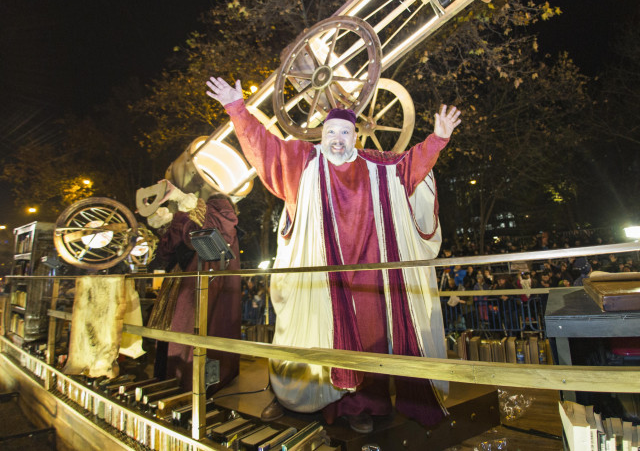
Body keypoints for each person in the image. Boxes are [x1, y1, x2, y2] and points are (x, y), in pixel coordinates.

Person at [206, 76, 461, 433]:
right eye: (331, 134)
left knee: (373, 339)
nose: (337, 140)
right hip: (322, 278)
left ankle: (369, 405)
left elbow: (412, 166)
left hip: (372, 276)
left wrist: (438, 138)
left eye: (344, 133)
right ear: (321, 136)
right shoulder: (302, 164)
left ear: (355, 136)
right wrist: (237, 108)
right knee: (322, 338)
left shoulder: (379, 165)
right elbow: (264, 149)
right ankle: (326, 404)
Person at [147, 192, 242, 396]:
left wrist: (178, 217)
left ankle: (186, 380)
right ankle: (186, 379)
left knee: (193, 328)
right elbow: (169, 249)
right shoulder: (209, 213)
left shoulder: (215, 208)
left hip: (198, 280)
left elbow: (197, 235)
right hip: (189, 278)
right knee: (198, 329)